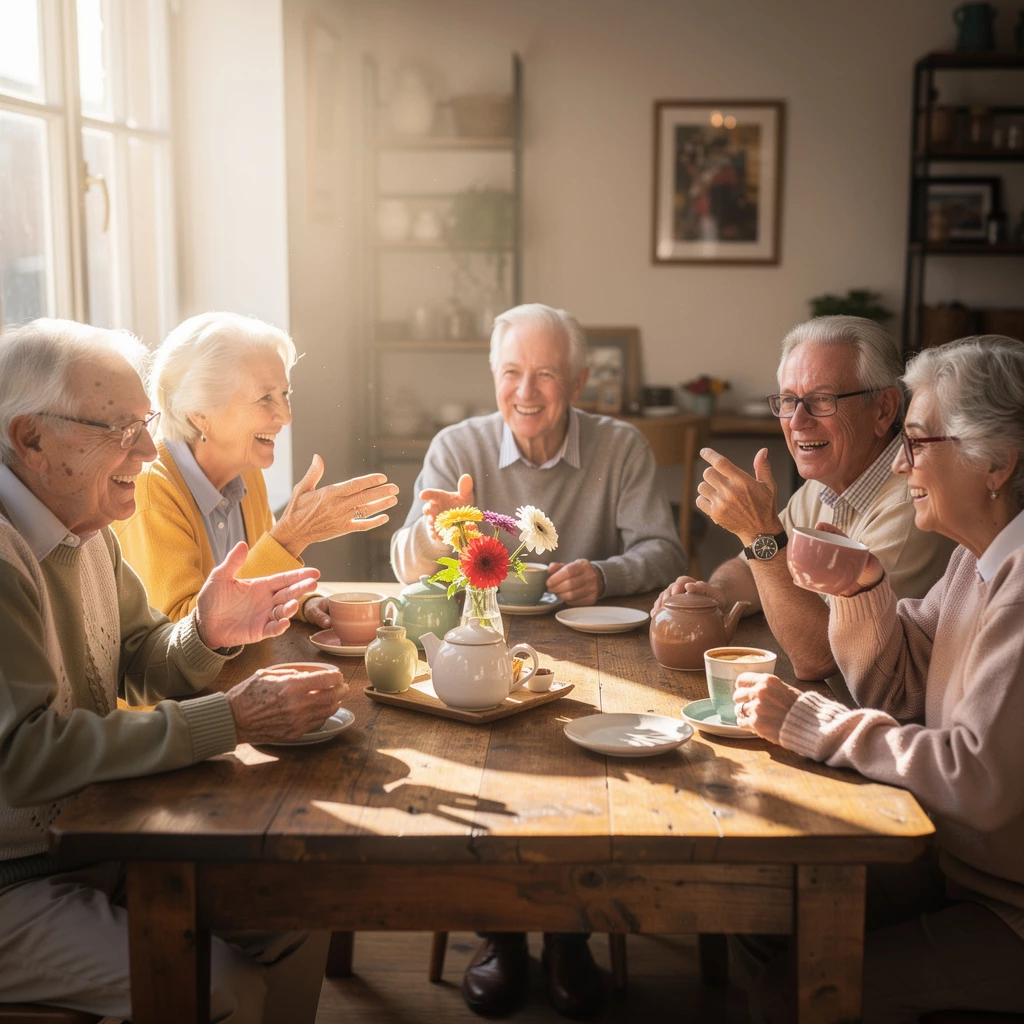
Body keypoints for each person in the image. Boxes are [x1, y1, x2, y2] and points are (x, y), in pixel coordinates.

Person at [0, 318, 347, 1022]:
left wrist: (207, 633)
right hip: (15, 879)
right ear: (30, 438)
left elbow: (140, 657)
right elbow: (23, 759)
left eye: (145, 424)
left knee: (298, 907)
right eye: (119, 429)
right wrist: (233, 717)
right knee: (221, 987)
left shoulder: (83, 527)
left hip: (99, 840)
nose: (146, 449)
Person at [392, 302, 687, 1018]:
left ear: (579, 381)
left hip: (600, 655)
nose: (526, 392)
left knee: (585, 777)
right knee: (484, 773)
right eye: (511, 372)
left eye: (546, 375)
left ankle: (567, 935)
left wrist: (606, 574)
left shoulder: (620, 445)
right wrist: (432, 534)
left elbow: (665, 550)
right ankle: (500, 933)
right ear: (494, 375)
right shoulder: (457, 445)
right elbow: (404, 563)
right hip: (481, 651)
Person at [732, 336, 1024, 1023]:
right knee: (759, 902)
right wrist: (863, 587)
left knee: (788, 992)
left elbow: (977, 780)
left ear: (997, 463)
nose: (898, 463)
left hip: (1008, 908)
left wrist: (812, 722)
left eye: (917, 443)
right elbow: (900, 691)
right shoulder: (977, 560)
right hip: (961, 865)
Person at [655, 315, 955, 694]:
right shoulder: (825, 483)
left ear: (883, 409)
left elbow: (820, 658)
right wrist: (717, 593)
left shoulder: (913, 503)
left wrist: (759, 532)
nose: (797, 421)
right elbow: (751, 568)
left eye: (821, 400)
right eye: (788, 401)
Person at [112, 311, 399, 628]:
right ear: (199, 413)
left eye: (284, 394)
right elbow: (181, 629)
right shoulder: (151, 490)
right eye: (265, 398)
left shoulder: (245, 469)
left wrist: (305, 603)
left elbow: (260, 574)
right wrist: (291, 536)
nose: (286, 416)